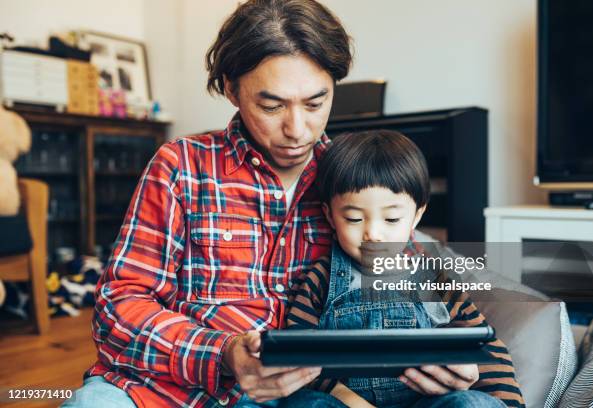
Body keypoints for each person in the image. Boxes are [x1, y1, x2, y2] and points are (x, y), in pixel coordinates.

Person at [63, 0, 352, 407]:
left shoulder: (354, 178)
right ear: (231, 89)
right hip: (167, 387)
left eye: (315, 103)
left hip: (298, 396)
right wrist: (223, 354)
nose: (296, 129)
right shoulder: (180, 166)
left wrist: (456, 358)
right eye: (271, 106)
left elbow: (402, 290)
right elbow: (118, 308)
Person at [285, 130, 526, 408]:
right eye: (353, 218)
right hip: (346, 403)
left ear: (416, 215)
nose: (373, 233)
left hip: (425, 403)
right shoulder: (321, 278)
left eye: (391, 218)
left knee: (473, 404)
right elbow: (298, 356)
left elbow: (487, 349)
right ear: (330, 215)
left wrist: (507, 404)